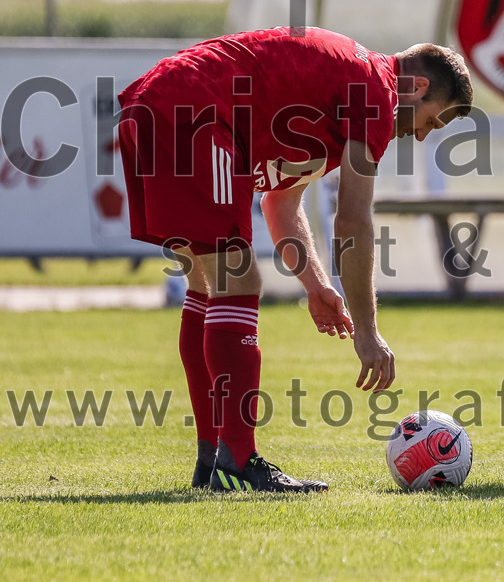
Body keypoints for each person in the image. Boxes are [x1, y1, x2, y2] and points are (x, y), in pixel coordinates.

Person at [117, 26, 473, 492]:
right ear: (418, 87)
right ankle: (237, 462)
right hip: (195, 109)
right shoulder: (378, 92)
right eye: (433, 121)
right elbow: (353, 222)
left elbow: (280, 203)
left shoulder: (347, 86)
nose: (423, 135)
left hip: (157, 101)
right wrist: (367, 332)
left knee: (207, 284)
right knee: (239, 281)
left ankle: (213, 461)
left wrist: (316, 284)